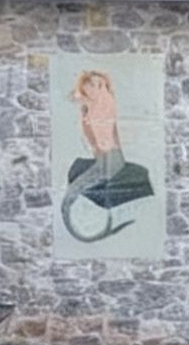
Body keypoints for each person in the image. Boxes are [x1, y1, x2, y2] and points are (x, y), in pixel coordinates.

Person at [61, 69, 153, 241]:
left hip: (110, 160)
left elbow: (103, 138)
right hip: (103, 158)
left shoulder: (105, 104)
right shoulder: (89, 105)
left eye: (101, 85)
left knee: (72, 194)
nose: (97, 88)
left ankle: (98, 225)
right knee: (70, 196)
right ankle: (90, 226)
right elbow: (72, 97)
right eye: (92, 84)